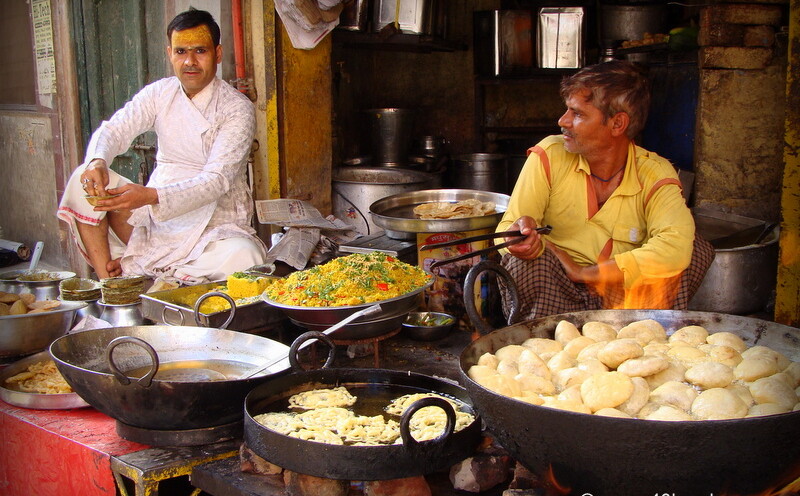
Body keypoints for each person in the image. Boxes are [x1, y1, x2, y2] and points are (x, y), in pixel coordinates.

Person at [57, 8, 266, 284]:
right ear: (170, 54)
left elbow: (216, 181)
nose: (189, 62)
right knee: (81, 179)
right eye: (181, 52)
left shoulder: (236, 108)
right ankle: (109, 283)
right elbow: (115, 129)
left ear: (217, 54)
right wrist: (98, 161)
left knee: (246, 256)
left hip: (214, 223)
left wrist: (151, 196)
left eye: (199, 51)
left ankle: (152, 269)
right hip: (157, 222)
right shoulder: (160, 93)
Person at [496, 60, 714, 320]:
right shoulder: (549, 156)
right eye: (568, 110)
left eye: (578, 114)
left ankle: (643, 348)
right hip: (557, 294)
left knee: (695, 250)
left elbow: (674, 247)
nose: (562, 120)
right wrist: (520, 236)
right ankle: (541, 346)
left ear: (617, 124)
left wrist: (586, 273)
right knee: (523, 260)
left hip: (624, 301)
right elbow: (505, 231)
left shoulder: (655, 172)